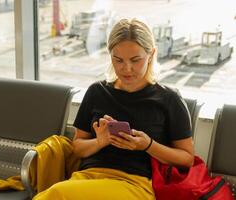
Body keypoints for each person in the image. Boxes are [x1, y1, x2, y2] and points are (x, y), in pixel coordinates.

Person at [34, 18, 194, 200]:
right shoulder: (97, 92)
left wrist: (148, 145)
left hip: (135, 184)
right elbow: (77, 148)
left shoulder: (168, 99)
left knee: (55, 194)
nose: (127, 69)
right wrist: (100, 142)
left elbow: (187, 158)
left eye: (135, 60)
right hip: (87, 178)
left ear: (151, 55)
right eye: (118, 60)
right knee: (59, 193)